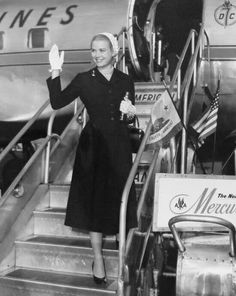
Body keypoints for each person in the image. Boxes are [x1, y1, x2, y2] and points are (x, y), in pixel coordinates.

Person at [46, 32, 137, 284]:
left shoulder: (125, 80)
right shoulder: (84, 79)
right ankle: (97, 257)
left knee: (120, 197)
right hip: (93, 146)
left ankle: (122, 247)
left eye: (102, 50)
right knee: (95, 203)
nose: (97, 55)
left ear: (114, 52)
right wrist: (55, 71)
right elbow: (57, 102)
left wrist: (130, 114)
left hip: (119, 144)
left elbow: (128, 119)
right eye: (93, 50)